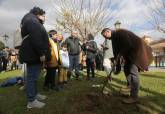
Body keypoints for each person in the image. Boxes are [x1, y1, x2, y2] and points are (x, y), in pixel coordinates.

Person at [101, 28, 153, 104]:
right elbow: (116, 52)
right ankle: (130, 86)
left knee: (133, 72)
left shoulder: (120, 32)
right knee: (126, 69)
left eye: (105, 35)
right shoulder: (113, 39)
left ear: (108, 31)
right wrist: (117, 66)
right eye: (103, 37)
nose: (105, 37)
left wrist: (120, 54)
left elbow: (127, 44)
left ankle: (134, 97)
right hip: (130, 55)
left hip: (137, 52)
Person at [20, 7, 51, 108]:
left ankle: (34, 94)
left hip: (33, 54)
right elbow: (36, 38)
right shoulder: (32, 21)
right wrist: (42, 53)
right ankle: (31, 101)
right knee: (32, 77)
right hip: (34, 54)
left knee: (34, 77)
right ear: (38, 14)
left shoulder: (31, 20)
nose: (45, 18)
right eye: (43, 15)